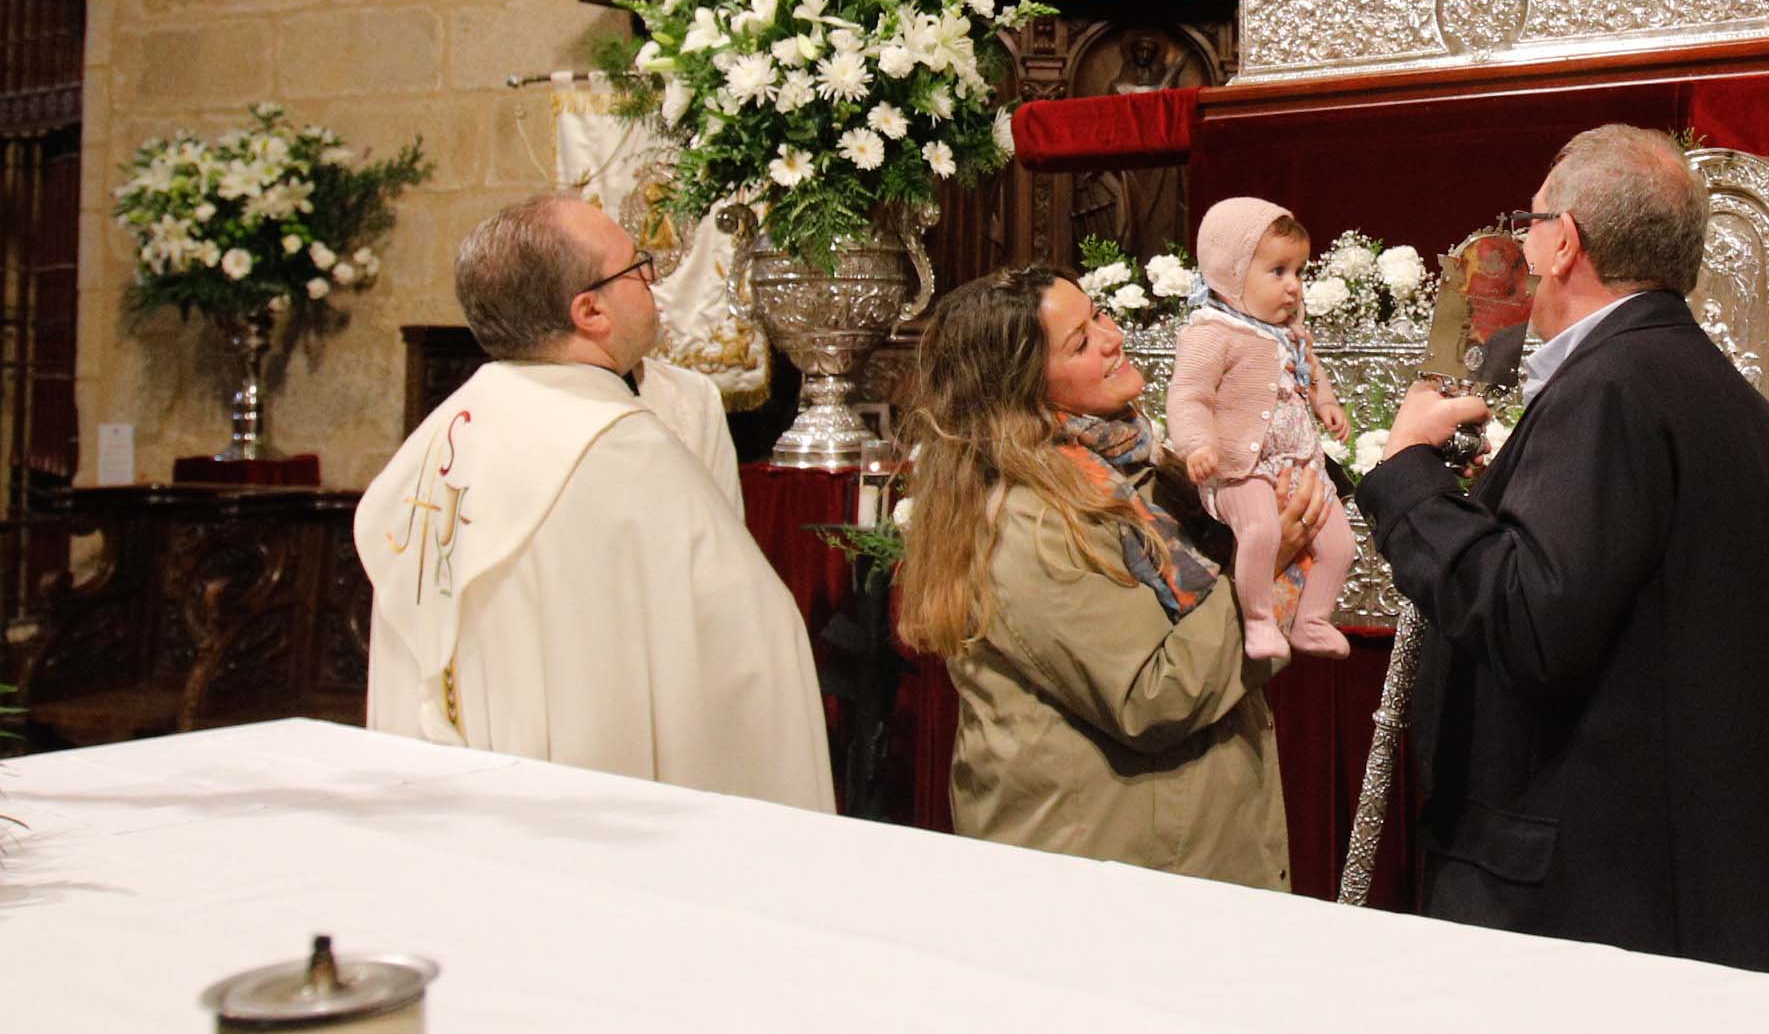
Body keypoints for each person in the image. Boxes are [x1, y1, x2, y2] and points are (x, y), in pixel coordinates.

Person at [1358, 124, 1769, 971]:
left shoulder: (1610, 388)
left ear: (1564, 243)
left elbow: (1530, 620)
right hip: (1687, 886)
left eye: (1529, 223)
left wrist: (1408, 477)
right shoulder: (1722, 394)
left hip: (1582, 903)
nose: (1520, 245)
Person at [356, 196, 832, 811]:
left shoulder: (441, 436)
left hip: (462, 809)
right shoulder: (625, 451)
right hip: (590, 816)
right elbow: (751, 654)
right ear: (590, 311)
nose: (651, 280)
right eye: (637, 268)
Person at [899, 262, 1326, 887]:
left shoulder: (1130, 467)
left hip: (1169, 850)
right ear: (1022, 389)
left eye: (1097, 312)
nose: (1111, 336)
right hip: (1105, 873)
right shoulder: (1029, 520)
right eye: (1079, 341)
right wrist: (1264, 569)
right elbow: (1153, 696)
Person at [1164, 196, 1356, 663]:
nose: (1293, 287)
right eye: (1278, 272)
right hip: (1239, 469)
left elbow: (1311, 372)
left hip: (1296, 462)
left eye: (1299, 273)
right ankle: (1257, 619)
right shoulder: (1213, 332)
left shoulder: (1288, 331)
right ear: (1231, 273)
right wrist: (1198, 444)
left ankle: (1312, 619)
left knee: (1340, 543)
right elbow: (1190, 396)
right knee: (1262, 531)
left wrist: (1326, 404)